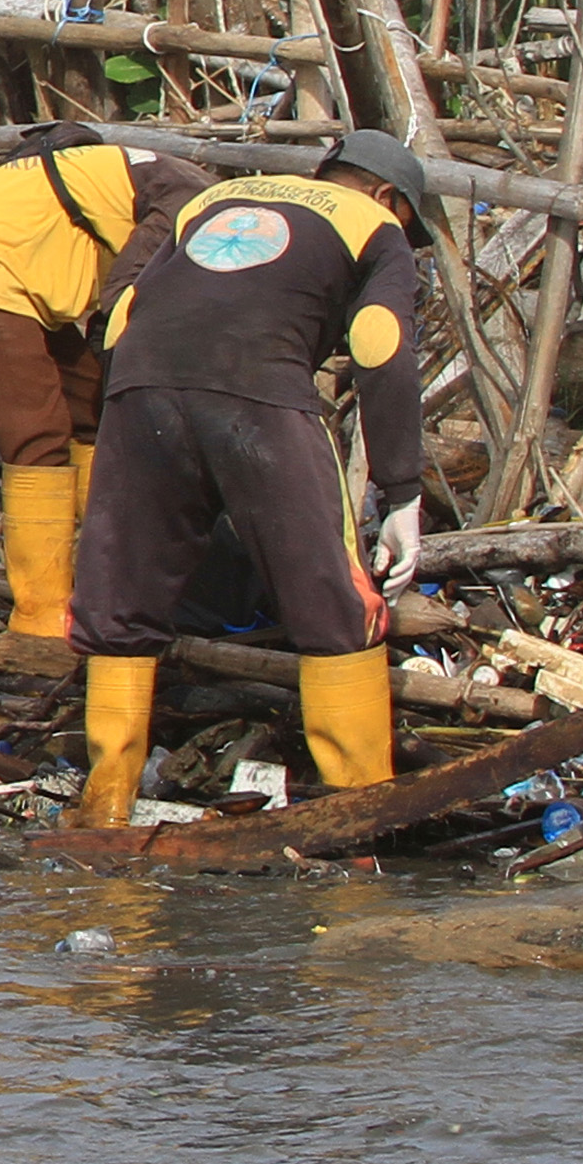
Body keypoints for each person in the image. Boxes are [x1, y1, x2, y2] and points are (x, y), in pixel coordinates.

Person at [73, 132, 433, 824]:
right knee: (332, 601)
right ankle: (359, 822)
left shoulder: (212, 199)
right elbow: (381, 343)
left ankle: (107, 807)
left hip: (139, 387)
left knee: (120, 599)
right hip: (260, 395)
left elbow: (120, 315)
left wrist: (136, 433)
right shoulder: (376, 224)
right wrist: (403, 492)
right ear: (390, 198)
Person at [0, 131, 214, 653]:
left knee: (95, 408)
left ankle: (107, 577)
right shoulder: (192, 208)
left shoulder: (184, 190)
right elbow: (125, 296)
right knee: (37, 436)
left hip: (20, 270)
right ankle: (43, 615)